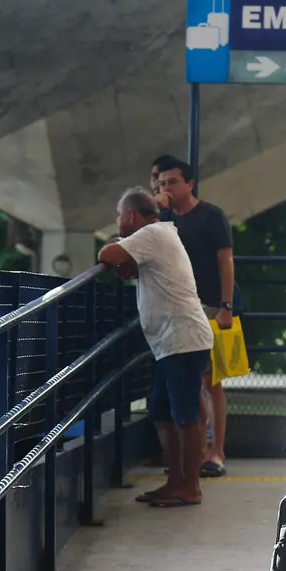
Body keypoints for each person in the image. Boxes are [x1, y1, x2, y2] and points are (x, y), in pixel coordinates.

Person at [98, 187, 214, 508]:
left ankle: (190, 487)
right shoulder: (159, 234)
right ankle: (175, 481)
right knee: (162, 412)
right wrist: (132, 265)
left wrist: (121, 255)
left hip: (182, 339)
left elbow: (107, 255)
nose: (119, 222)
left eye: (120, 216)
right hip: (170, 341)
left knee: (186, 416)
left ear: (132, 216)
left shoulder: (153, 232)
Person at [150, 155, 235, 478]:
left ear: (189, 183)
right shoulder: (163, 220)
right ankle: (195, 452)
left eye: (172, 182)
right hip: (175, 310)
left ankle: (217, 452)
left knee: (211, 381)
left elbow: (226, 261)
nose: (166, 188)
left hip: (210, 306)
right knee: (186, 382)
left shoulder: (211, 215)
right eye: (161, 183)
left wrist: (226, 306)